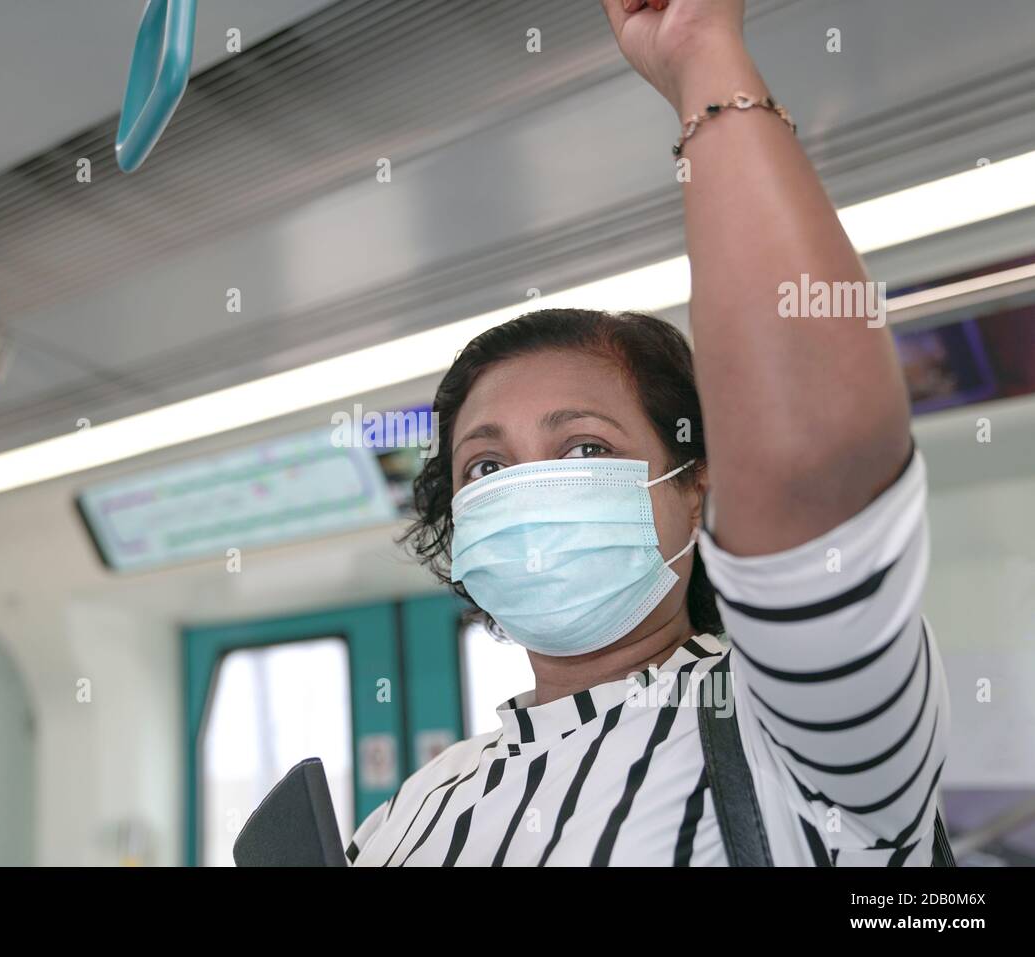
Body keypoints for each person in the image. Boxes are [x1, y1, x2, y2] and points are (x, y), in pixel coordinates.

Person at [346, 0, 947, 866]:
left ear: (696, 479)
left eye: (585, 448)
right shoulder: (409, 814)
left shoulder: (795, 741)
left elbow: (812, 467)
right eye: (485, 466)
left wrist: (702, 52)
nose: (525, 487)